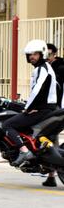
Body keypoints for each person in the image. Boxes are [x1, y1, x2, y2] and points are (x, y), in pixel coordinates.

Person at [4, 40, 59, 167]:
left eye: (35, 54)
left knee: (7, 125)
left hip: (42, 110)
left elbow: (37, 90)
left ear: (42, 54)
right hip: (48, 109)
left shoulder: (42, 69)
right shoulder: (46, 69)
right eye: (29, 54)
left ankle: (24, 151)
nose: (31, 57)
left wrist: (28, 108)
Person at [43, 44, 64, 186]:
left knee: (50, 137)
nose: (47, 57)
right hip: (53, 108)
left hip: (56, 108)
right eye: (45, 54)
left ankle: (52, 174)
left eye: (49, 54)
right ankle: (51, 175)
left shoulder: (60, 68)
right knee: (50, 137)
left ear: (55, 54)